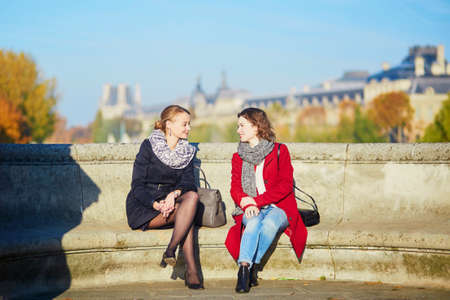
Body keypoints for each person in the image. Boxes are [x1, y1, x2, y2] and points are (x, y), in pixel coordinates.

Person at [225, 107, 308, 293]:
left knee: (270, 224)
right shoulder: (238, 157)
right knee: (253, 224)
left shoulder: (280, 150)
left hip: (278, 207)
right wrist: (246, 202)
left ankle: (251, 266)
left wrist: (257, 201)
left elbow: (285, 185)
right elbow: (235, 188)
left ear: (256, 126)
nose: (238, 130)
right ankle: (244, 269)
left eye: (242, 125)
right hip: (248, 207)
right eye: (238, 126)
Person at [126, 105, 203, 289]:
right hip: (145, 206)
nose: (188, 128)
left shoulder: (187, 152)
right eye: (184, 124)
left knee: (191, 198)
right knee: (188, 216)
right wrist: (155, 205)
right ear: (169, 124)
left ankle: (170, 249)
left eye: (189, 124)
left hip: (172, 203)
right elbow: (137, 185)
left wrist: (174, 194)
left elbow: (188, 183)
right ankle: (192, 271)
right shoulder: (148, 146)